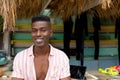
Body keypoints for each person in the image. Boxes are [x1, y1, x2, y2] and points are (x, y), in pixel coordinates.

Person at [11, 15, 71, 80]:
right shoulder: (20, 57)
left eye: (43, 30)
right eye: (34, 30)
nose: (38, 34)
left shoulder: (61, 57)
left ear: (50, 33)